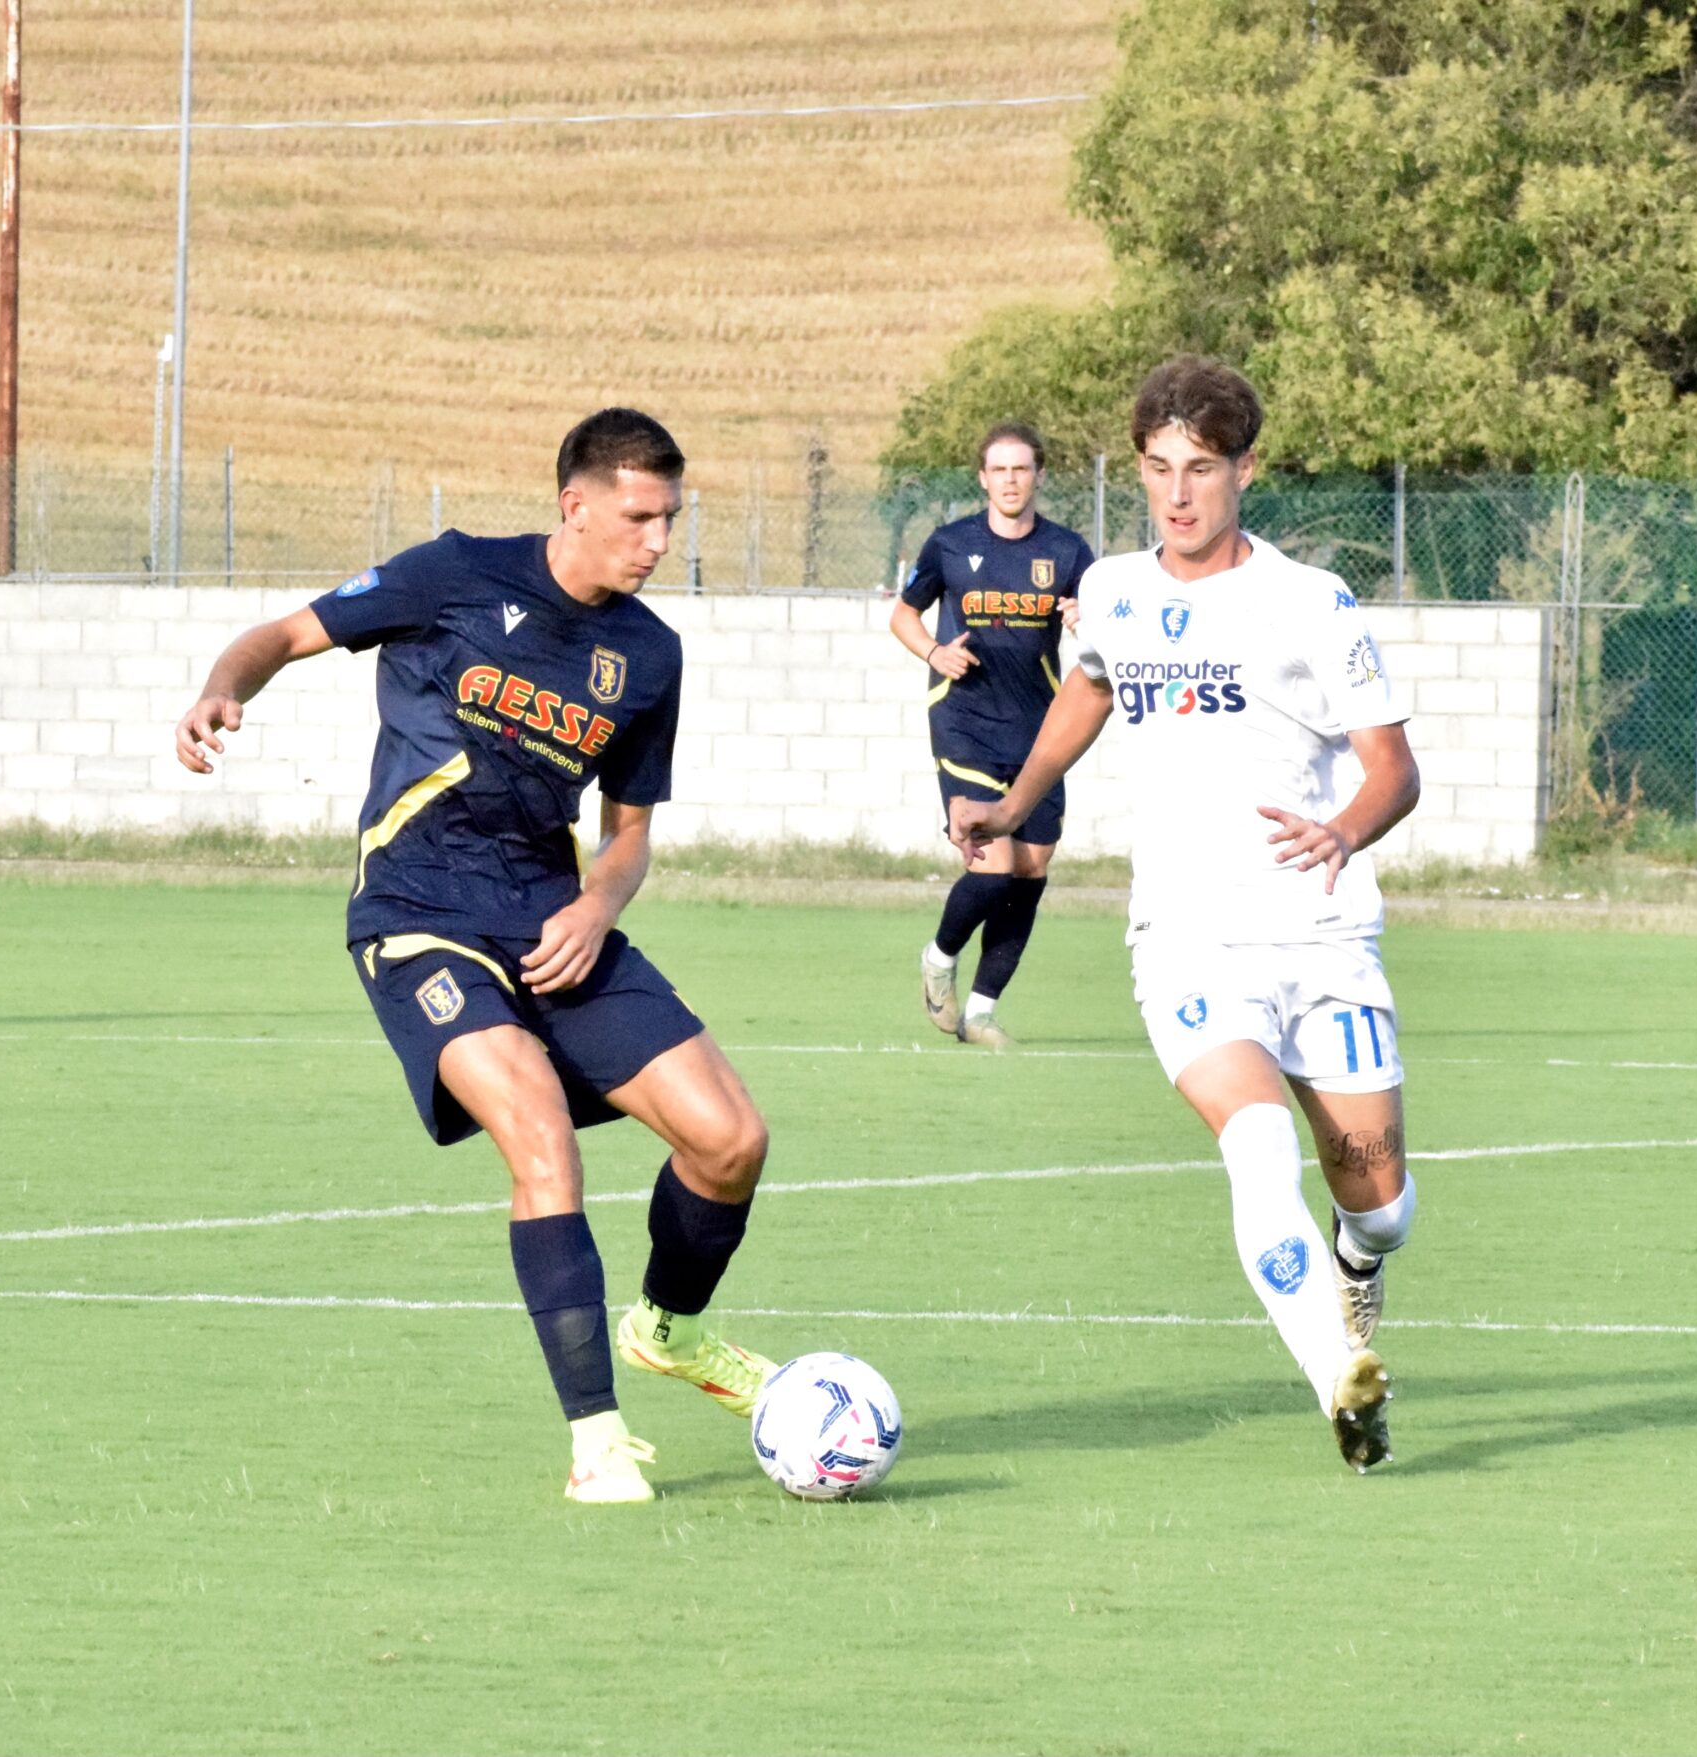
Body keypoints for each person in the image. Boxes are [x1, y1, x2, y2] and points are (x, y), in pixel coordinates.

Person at [174, 409, 772, 1505]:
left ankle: (671, 1331)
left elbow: (630, 831)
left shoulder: (647, 654)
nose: (656, 542)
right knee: (539, 1133)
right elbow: (283, 633)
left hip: (550, 914)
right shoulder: (451, 574)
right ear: (574, 505)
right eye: (638, 517)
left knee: (730, 1137)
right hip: (416, 909)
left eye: (670, 521)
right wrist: (226, 687)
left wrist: (595, 904)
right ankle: (595, 1440)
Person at [948, 358, 1421, 1471]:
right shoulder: (1111, 588)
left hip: (1320, 934)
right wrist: (1016, 797)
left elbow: (1392, 769)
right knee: (1256, 1145)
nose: (1177, 494)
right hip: (1187, 936)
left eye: (1199, 469)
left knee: (1381, 1199)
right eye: (1158, 469)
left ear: (1244, 469)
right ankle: (1338, 1383)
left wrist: (1344, 830)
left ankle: (1358, 1263)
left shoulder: (1311, 601)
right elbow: (1093, 684)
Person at [890, 422, 1092, 1049]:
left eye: (1022, 469)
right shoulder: (952, 544)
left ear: (1038, 477)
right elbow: (903, 613)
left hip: (1041, 730)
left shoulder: (1067, 552)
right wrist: (933, 652)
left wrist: (1087, 618)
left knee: (1030, 870)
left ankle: (980, 1012)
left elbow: (1104, 625)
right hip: (965, 722)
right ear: (983, 478)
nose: (1010, 480)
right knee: (994, 865)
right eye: (999, 470)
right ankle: (940, 956)